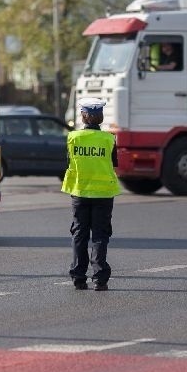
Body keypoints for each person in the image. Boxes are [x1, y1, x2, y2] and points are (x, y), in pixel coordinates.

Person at [61, 97, 121, 291]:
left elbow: (69, 162)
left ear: (83, 116)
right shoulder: (109, 139)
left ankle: (79, 277)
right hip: (103, 194)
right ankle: (100, 278)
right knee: (100, 235)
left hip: (79, 193)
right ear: (101, 117)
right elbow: (114, 164)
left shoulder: (73, 138)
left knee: (79, 234)